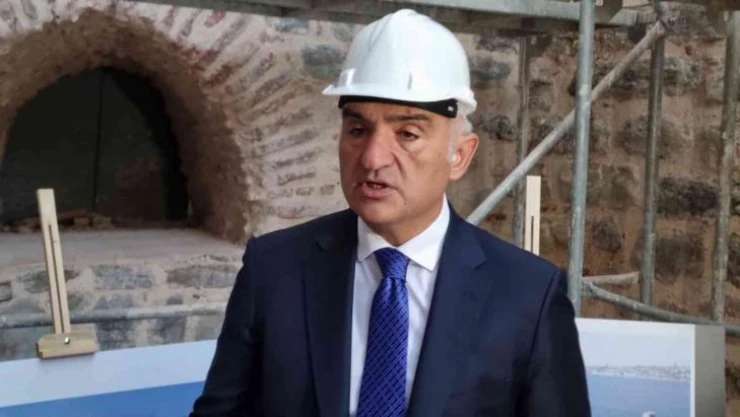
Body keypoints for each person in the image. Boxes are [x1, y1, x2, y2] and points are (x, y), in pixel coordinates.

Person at [189, 8, 591, 417]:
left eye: (407, 134)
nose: (372, 158)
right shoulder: (273, 270)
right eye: (357, 130)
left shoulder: (528, 295)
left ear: (459, 155)